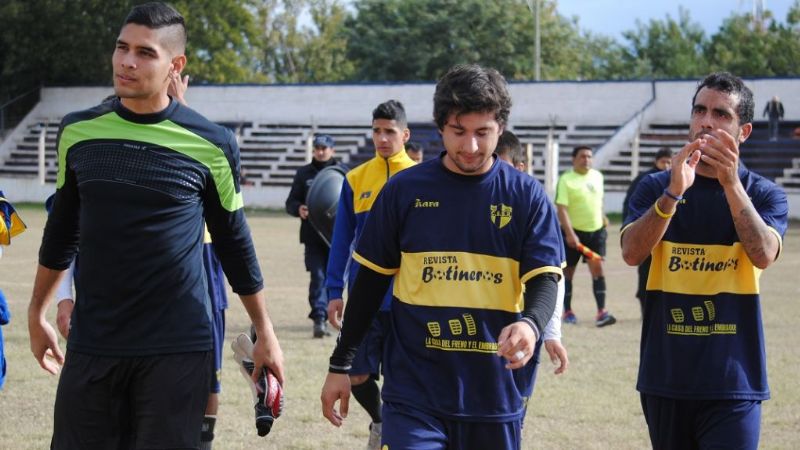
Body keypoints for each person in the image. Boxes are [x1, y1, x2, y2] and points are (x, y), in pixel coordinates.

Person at [27, 3, 284, 448]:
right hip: (93, 341)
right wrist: (37, 312)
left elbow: (233, 242)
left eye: (145, 52)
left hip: (178, 346)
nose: (127, 61)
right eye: (121, 48)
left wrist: (266, 333)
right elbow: (62, 231)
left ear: (174, 65)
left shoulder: (212, 143)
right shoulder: (77, 132)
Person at [321, 64, 563, 449]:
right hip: (414, 392)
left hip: (493, 393)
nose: (470, 147)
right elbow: (368, 285)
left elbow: (544, 280)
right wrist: (341, 363)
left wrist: (532, 325)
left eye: (482, 133)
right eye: (458, 132)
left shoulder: (526, 196)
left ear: (500, 128)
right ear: (440, 129)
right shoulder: (404, 191)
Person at [621, 72, 788, 450]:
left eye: (721, 114)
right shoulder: (654, 187)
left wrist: (731, 184)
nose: (706, 122)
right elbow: (632, 253)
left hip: (734, 382)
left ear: (743, 131)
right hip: (666, 377)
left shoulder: (765, 194)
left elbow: (763, 254)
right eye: (700, 110)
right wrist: (672, 194)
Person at [325, 99, 416, 449]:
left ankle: (396, 433)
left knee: (400, 377)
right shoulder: (355, 179)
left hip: (408, 298)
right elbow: (341, 240)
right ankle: (380, 422)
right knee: (357, 372)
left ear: (404, 134)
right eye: (376, 130)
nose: (381, 138)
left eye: (389, 131)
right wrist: (334, 290)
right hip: (365, 298)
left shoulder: (421, 179)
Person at [496, 130, 568, 385]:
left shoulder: (536, 206)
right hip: (475, 329)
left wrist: (551, 333)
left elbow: (553, 276)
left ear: (520, 167)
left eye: (500, 166)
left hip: (523, 327)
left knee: (515, 409)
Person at [285, 134, 344, 338]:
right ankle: (319, 319)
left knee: (335, 278)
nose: (320, 151)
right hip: (312, 236)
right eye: (317, 147)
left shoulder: (344, 173)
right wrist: (298, 209)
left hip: (338, 238)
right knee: (318, 277)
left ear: (332, 150)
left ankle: (335, 318)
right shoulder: (303, 174)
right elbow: (290, 202)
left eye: (324, 148)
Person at [555, 146, 616, 327]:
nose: (587, 159)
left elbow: (598, 201)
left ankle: (601, 312)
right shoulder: (566, 179)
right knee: (568, 273)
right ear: (574, 159)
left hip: (596, 233)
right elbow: (561, 209)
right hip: (573, 234)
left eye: (590, 156)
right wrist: (570, 234)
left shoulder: (598, 176)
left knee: (598, 271)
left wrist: (602, 216)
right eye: (582, 156)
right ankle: (568, 312)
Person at [621, 147, 673, 314]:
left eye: (669, 162)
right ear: (656, 161)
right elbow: (629, 204)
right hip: (646, 236)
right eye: (663, 161)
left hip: (667, 239)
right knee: (646, 275)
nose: (666, 165)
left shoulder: (676, 178)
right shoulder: (646, 180)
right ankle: (646, 310)